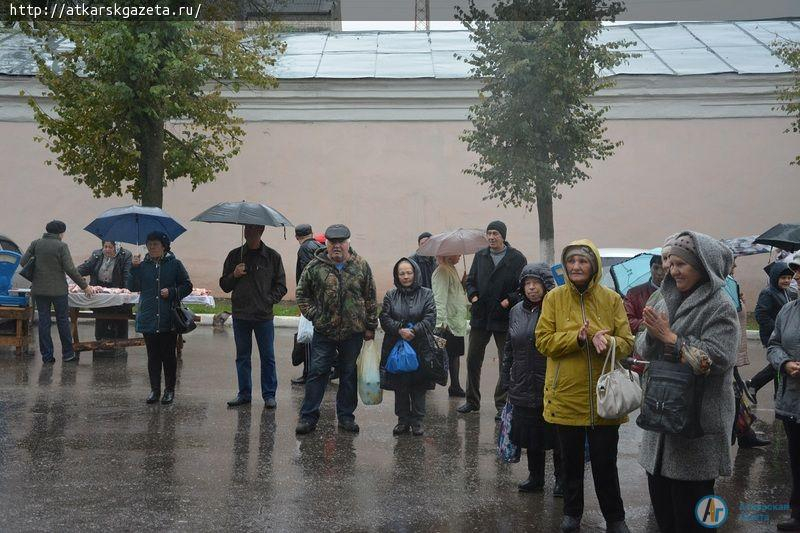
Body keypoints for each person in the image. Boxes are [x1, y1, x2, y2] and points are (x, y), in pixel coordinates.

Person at [636, 232, 739, 533]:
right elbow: (642, 349)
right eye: (671, 263)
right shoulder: (663, 297)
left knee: (695, 520)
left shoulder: (720, 306)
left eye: (682, 264)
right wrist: (653, 337)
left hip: (697, 431)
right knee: (665, 518)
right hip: (660, 424)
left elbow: (717, 360)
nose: (673, 270)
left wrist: (671, 338)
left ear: (703, 266)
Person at [535, 239, 634, 533]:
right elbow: (542, 341)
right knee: (570, 463)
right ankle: (572, 514)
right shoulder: (553, 299)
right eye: (572, 261)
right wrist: (577, 338)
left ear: (594, 267)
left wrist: (610, 342)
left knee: (606, 463)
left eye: (583, 261)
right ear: (565, 266)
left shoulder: (611, 299)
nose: (576, 266)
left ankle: (615, 518)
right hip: (566, 394)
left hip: (605, 398)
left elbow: (628, 343)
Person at [295, 224, 378, 435]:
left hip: (353, 332)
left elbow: (370, 297)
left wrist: (370, 326)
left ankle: (346, 417)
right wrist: (315, 315)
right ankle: (308, 417)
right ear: (327, 244)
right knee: (317, 372)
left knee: (348, 374)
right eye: (333, 243)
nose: (337, 246)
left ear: (348, 243)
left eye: (341, 242)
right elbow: (302, 294)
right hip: (325, 331)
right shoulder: (315, 266)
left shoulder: (361, 266)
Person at [501, 262, 562, 496]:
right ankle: (535, 477)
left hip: (550, 383)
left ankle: (561, 480)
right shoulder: (516, 311)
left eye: (536, 283)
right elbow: (509, 347)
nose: (532, 288)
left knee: (556, 435)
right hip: (523, 383)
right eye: (527, 284)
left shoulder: (555, 309)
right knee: (531, 435)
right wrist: (506, 377)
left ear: (546, 285)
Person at [457, 220, 527, 418]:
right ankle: (472, 401)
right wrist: (473, 296)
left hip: (503, 317)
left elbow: (522, 287)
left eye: (495, 233)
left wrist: (508, 300)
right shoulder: (481, 256)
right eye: (489, 233)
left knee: (506, 361)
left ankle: (502, 403)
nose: (491, 237)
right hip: (481, 315)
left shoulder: (516, 258)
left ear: (503, 236)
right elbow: (470, 281)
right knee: (472, 359)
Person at [220, 224, 287, 408]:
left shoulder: (272, 257)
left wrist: (268, 300)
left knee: (267, 357)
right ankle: (244, 393)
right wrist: (234, 274)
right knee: (242, 357)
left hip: (263, 316)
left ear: (261, 231)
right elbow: (224, 285)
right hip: (241, 314)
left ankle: (269, 395)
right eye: (246, 229)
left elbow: (281, 286)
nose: (248, 232)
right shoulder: (235, 256)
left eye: (253, 229)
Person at [128, 231, 192, 405]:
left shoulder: (175, 264)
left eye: (155, 244)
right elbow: (132, 286)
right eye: (149, 244)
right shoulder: (142, 266)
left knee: (168, 356)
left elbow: (187, 286)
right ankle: (154, 390)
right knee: (153, 356)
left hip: (167, 317)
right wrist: (133, 269)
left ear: (164, 246)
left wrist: (171, 292)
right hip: (148, 316)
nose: (151, 247)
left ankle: (169, 390)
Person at [21, 220, 95, 363]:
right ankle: (68, 354)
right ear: (60, 233)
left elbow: (23, 262)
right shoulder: (61, 246)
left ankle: (47, 356)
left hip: (39, 290)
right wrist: (84, 286)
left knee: (44, 322)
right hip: (58, 291)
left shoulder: (36, 243)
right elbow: (70, 269)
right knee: (62, 321)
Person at [379, 258, 437, 436]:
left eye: (409, 272)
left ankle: (418, 421)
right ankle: (402, 420)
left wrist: (414, 330)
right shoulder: (391, 295)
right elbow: (385, 317)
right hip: (396, 346)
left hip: (420, 346)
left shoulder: (427, 294)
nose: (406, 276)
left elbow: (430, 317)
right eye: (402, 273)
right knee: (400, 385)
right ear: (397, 276)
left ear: (416, 273)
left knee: (419, 386)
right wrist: (399, 330)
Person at [767, 270, 800, 532]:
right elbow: (773, 344)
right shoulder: (788, 310)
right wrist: (785, 362)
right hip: (793, 402)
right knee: (797, 460)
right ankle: (797, 514)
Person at [731, 260, 770, 448]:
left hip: (734, 350)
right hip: (729, 352)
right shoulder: (724, 285)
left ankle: (745, 434)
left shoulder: (730, 284)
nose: (735, 267)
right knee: (737, 395)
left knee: (738, 395)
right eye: (733, 263)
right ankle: (745, 434)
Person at [751, 261, 797, 402]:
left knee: (779, 365)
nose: (787, 281)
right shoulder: (768, 293)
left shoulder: (788, 292)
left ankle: (754, 385)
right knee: (780, 365)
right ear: (775, 277)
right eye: (783, 278)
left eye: (789, 278)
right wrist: (778, 330)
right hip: (773, 336)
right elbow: (761, 314)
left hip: (784, 337)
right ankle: (775, 395)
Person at [77, 240, 133, 347]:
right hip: (100, 291)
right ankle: (100, 343)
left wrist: (127, 291)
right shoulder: (97, 254)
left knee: (119, 318)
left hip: (117, 290)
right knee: (101, 317)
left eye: (110, 247)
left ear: (116, 247)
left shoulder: (126, 255)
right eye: (105, 246)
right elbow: (85, 267)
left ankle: (120, 345)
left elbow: (127, 275)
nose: (107, 249)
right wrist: (72, 273)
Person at [291, 223, 325, 385]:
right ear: (311, 233)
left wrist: (304, 299)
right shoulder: (320, 246)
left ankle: (309, 375)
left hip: (311, 300)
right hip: (322, 299)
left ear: (297, 237)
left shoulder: (304, 248)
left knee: (308, 339)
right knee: (318, 338)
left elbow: (307, 274)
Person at [432, 254, 469, 397]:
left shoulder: (450, 268)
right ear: (448, 253)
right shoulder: (442, 271)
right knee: (438, 355)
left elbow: (454, 293)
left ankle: (455, 385)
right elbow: (439, 298)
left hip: (455, 321)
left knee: (455, 354)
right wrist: (440, 322)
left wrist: (463, 285)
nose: (460, 255)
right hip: (447, 323)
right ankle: (430, 383)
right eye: (457, 252)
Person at [623, 254, 665, 334]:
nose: (659, 272)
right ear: (650, 268)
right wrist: (649, 323)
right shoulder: (634, 293)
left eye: (663, 268)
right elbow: (626, 321)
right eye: (656, 268)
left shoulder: (678, 293)